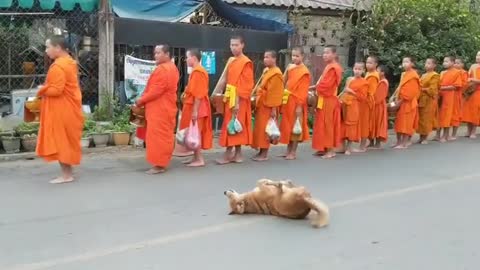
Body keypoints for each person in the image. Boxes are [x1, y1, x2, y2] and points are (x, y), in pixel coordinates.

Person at [36, 35, 84, 184]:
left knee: (61, 140)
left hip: (62, 109)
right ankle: (68, 172)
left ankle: (66, 175)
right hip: (69, 108)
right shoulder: (70, 62)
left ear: (57, 48)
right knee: (66, 140)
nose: (46, 51)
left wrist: (41, 90)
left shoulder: (58, 66)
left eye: (47, 47)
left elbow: (56, 90)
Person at [135, 45, 179, 174]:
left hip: (160, 108)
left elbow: (156, 90)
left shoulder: (163, 69)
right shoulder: (172, 68)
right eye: (155, 53)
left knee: (158, 136)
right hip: (164, 107)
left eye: (158, 53)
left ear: (167, 54)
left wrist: (141, 100)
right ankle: (161, 162)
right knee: (163, 135)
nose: (155, 56)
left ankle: (159, 165)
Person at [217, 35, 254, 164]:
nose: (233, 47)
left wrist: (237, 101)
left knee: (235, 124)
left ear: (242, 45)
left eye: (236, 45)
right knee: (232, 124)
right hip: (230, 96)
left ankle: (230, 153)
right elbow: (225, 79)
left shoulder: (246, 62)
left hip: (239, 99)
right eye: (231, 45)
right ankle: (237, 154)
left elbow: (247, 85)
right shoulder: (231, 60)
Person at [179, 48, 213, 167]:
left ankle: (199, 159)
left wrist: (195, 111)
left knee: (195, 132)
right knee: (192, 132)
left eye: (187, 57)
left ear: (193, 58)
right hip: (193, 105)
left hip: (197, 107)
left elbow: (198, 94)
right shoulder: (195, 71)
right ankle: (195, 157)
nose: (186, 60)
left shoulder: (199, 71)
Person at [279, 47, 311, 160]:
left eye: (297, 56)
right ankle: (288, 150)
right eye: (293, 56)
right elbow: (283, 80)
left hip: (297, 102)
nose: (294, 58)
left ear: (302, 56)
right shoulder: (290, 67)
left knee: (296, 127)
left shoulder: (304, 72)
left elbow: (303, 91)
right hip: (287, 100)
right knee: (287, 126)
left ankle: (293, 151)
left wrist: (299, 106)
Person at [311, 45, 343, 159]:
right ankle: (323, 147)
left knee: (328, 125)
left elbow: (327, 85)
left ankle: (330, 150)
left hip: (329, 99)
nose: (325, 55)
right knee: (321, 124)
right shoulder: (329, 66)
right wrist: (315, 87)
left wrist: (317, 89)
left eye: (327, 53)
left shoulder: (334, 67)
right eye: (324, 53)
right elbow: (322, 83)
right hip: (323, 98)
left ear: (334, 54)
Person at [251, 50, 283, 161]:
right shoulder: (267, 71)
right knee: (260, 129)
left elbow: (275, 93)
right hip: (263, 104)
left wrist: (274, 109)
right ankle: (261, 151)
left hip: (270, 106)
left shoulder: (276, 73)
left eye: (268, 57)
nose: (265, 59)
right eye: (264, 57)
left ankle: (264, 154)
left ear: (274, 59)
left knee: (266, 130)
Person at [392, 56, 421, 149]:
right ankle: (398, 142)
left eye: (407, 62)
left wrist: (400, 102)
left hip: (408, 103)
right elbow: (400, 87)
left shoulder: (413, 75)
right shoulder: (404, 74)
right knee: (399, 123)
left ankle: (404, 143)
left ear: (412, 64)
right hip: (400, 101)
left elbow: (411, 93)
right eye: (403, 62)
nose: (404, 64)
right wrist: (393, 96)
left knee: (406, 123)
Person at [340, 62, 368, 155]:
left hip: (354, 105)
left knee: (351, 125)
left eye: (359, 69)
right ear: (353, 69)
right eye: (356, 69)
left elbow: (363, 97)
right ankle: (342, 146)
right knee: (343, 124)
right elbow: (344, 90)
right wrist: (338, 98)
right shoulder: (349, 79)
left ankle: (349, 147)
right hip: (344, 103)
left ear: (363, 71)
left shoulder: (364, 82)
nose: (357, 71)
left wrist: (351, 91)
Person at [436, 56, 462, 143]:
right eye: (444, 61)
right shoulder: (442, 72)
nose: (444, 63)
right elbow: (438, 84)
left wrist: (444, 88)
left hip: (450, 96)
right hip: (441, 96)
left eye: (446, 61)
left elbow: (456, 85)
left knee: (447, 115)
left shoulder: (457, 72)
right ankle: (438, 135)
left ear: (452, 63)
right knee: (440, 115)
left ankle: (445, 135)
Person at [417, 58, 440, 144]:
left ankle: (425, 138)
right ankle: (421, 137)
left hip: (429, 99)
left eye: (429, 63)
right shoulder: (423, 75)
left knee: (427, 119)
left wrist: (422, 89)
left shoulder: (435, 75)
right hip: (421, 99)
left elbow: (433, 89)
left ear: (434, 66)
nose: (427, 65)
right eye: (426, 63)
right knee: (421, 118)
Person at [462, 51, 480, 138]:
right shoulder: (473, 66)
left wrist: (473, 80)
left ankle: (473, 132)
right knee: (468, 111)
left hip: (478, 92)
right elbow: (468, 76)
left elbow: (473, 79)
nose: (478, 57)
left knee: (476, 112)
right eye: (477, 55)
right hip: (471, 92)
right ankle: (468, 131)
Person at [371, 65, 389, 148]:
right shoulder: (378, 81)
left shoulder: (383, 82)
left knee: (378, 123)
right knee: (373, 123)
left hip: (379, 106)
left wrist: (373, 102)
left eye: (377, 70)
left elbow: (380, 96)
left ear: (382, 73)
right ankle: (371, 142)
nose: (376, 72)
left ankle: (377, 143)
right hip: (375, 105)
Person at [364, 56, 380, 150]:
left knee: (369, 122)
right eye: (367, 62)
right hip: (365, 99)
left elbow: (371, 91)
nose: (367, 64)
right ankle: (370, 141)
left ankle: (371, 141)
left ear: (375, 64)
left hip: (369, 100)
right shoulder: (368, 73)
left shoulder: (374, 75)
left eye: (370, 63)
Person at [451, 58, 468, 139]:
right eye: (455, 63)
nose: (456, 65)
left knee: (456, 114)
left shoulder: (463, 73)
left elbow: (464, 84)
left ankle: (454, 134)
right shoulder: (450, 72)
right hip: (449, 95)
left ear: (462, 65)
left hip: (458, 95)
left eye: (458, 63)